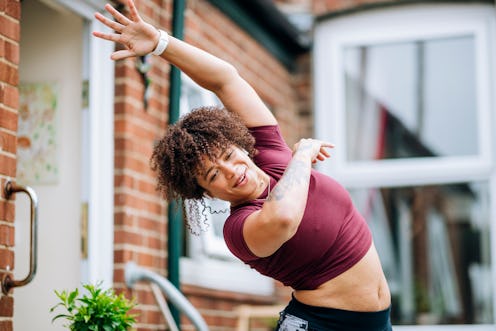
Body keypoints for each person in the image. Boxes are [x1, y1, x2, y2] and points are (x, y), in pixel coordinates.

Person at [94, 1, 392, 330]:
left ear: (240, 143)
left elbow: (224, 80)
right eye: (212, 176)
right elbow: (282, 218)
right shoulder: (239, 228)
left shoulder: (270, 151)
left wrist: (162, 44)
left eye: (227, 155)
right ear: (204, 192)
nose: (230, 171)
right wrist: (302, 156)